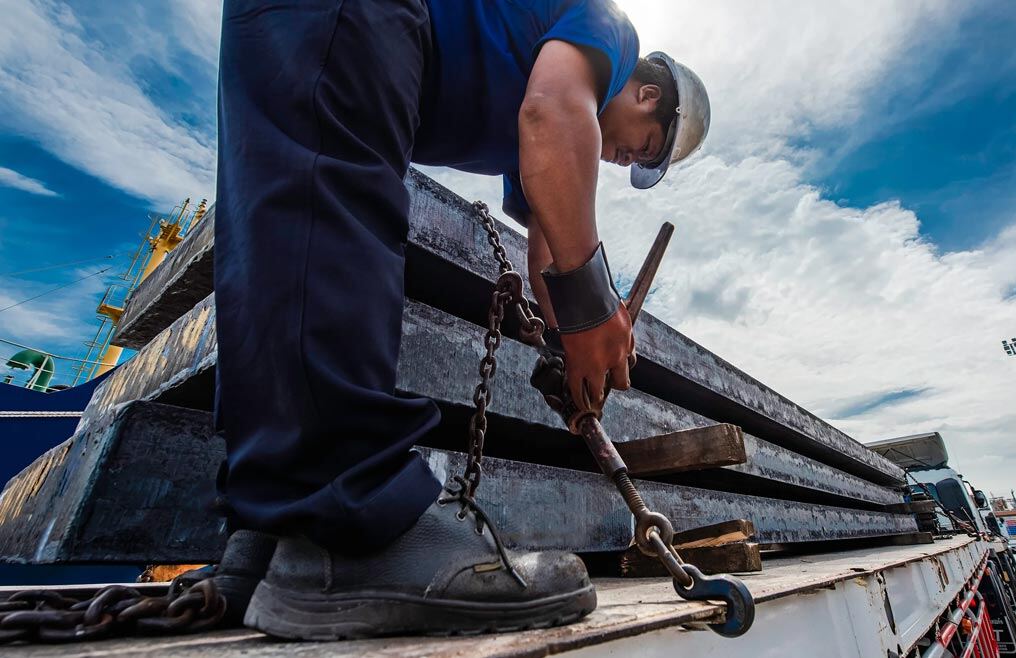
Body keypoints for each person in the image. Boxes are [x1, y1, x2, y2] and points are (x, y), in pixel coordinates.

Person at [213, 0, 710, 640]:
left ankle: (276, 533)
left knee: (283, 227)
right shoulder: (611, 28)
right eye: (643, 148)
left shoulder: (525, 80)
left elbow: (546, 243)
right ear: (647, 95)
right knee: (334, 225)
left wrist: (570, 342)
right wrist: (596, 312)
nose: (626, 161)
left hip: (295, 23)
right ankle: (352, 523)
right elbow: (554, 115)